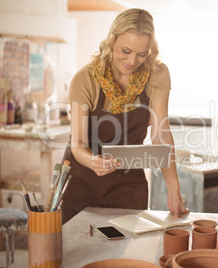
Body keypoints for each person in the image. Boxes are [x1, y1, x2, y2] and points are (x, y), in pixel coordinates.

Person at [60, 8, 189, 224]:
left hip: (129, 185)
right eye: (125, 51)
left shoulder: (156, 74)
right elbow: (78, 143)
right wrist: (93, 161)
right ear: (112, 41)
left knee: (126, 253)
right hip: (83, 183)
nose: (132, 61)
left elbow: (161, 136)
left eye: (142, 54)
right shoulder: (85, 79)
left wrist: (174, 190)